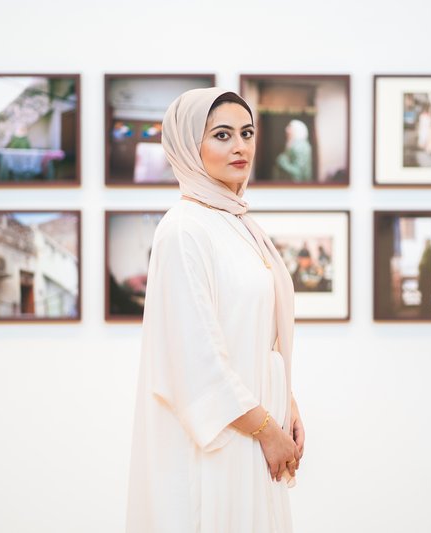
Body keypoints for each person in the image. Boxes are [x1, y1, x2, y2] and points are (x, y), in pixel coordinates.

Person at [126, 88, 305, 533]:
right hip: (217, 442)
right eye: (222, 135)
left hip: (253, 430)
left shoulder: (238, 223)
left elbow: (258, 334)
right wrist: (267, 429)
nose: (240, 146)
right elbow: (196, 360)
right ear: (189, 145)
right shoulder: (184, 230)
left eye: (247, 133)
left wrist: (288, 402)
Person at [419, 238, 431, 316]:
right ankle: (426, 311)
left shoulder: (429, 251)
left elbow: (426, 264)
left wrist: (420, 266)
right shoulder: (429, 250)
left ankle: (426, 311)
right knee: (427, 295)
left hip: (426, 277)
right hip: (427, 276)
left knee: (426, 295)